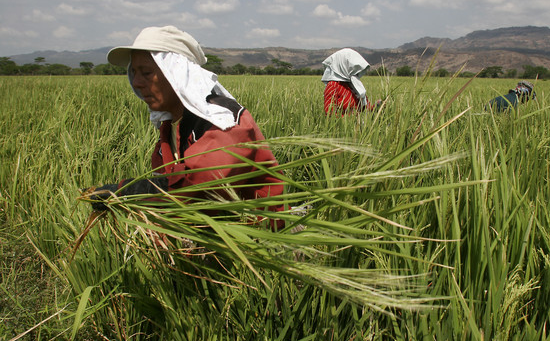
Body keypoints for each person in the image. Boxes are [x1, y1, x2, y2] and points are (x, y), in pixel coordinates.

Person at [88, 25, 284, 218]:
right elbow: (165, 183)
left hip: (255, 237)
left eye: (146, 73)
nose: (137, 82)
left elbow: (194, 190)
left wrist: (123, 192)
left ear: (176, 73)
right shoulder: (171, 125)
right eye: (134, 73)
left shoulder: (222, 120)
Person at [321, 48, 380, 115]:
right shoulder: (333, 85)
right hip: (343, 125)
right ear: (343, 65)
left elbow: (365, 108)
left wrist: (377, 106)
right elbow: (330, 114)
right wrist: (351, 119)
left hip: (359, 124)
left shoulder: (355, 84)